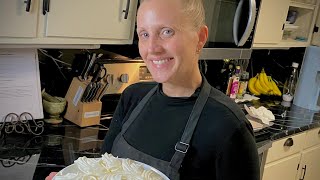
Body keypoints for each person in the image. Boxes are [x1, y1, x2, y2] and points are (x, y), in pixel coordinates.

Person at [101, 0, 260, 179]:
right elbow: (101, 169)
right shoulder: (132, 97)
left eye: (167, 32)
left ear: (200, 37)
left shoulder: (228, 125)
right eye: (144, 34)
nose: (152, 48)